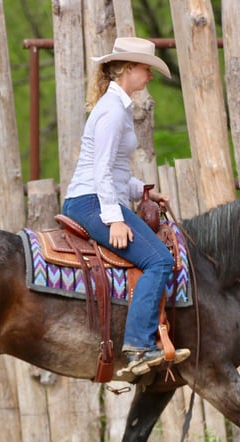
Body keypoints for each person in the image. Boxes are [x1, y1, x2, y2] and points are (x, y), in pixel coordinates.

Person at [63, 37, 190, 377]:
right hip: (92, 202)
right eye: (146, 68)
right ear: (129, 69)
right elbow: (101, 170)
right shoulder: (112, 111)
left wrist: (143, 191)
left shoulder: (117, 108)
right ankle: (138, 346)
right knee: (159, 261)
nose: (150, 75)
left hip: (95, 197)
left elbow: (117, 172)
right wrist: (114, 218)